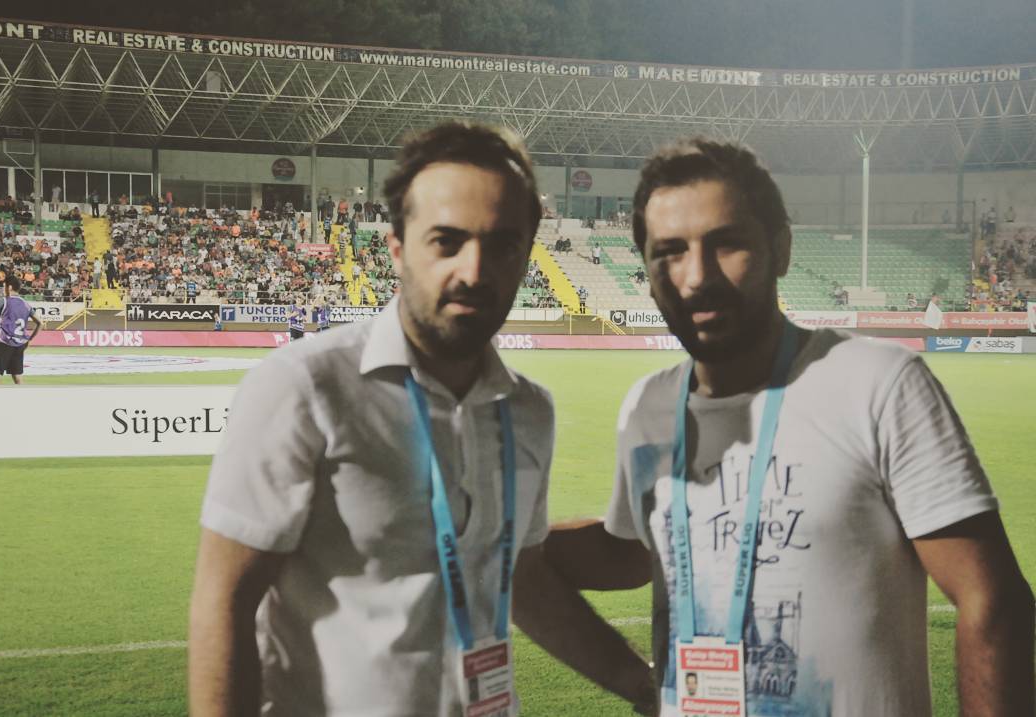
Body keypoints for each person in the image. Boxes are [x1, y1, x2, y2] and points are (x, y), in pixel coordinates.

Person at [514, 138, 1034, 717]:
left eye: (727, 243)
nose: (697, 275)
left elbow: (991, 600)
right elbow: (632, 553)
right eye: (670, 252)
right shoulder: (649, 406)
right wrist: (497, 539)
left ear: (780, 249)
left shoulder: (878, 383)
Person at [189, 121, 556, 717]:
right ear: (397, 249)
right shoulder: (303, 386)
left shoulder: (530, 410)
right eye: (446, 242)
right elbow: (223, 601)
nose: (474, 269)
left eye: (502, 244)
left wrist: (642, 683)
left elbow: (524, 576)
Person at [0, 274, 41, 385]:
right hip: (19, 344)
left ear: (9, 287)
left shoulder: (4, 300)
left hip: (4, 343)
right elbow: (40, 323)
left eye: (4, 286)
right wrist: (30, 339)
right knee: (17, 377)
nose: (3, 289)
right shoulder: (26, 304)